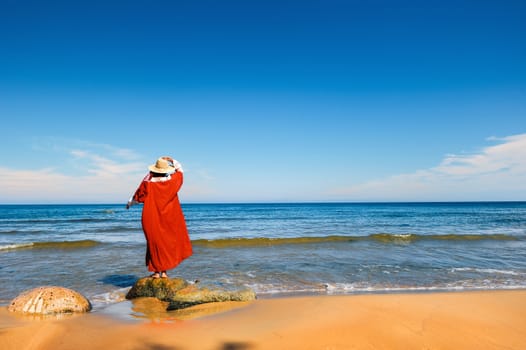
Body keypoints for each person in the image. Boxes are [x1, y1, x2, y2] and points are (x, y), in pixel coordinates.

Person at [126, 156, 192, 278]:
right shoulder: (172, 182)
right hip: (169, 217)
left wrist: (130, 203)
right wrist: (172, 160)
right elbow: (180, 172)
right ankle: (164, 273)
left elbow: (138, 195)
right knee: (165, 243)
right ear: (166, 170)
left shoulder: (148, 183)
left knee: (154, 243)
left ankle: (157, 272)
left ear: (153, 171)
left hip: (151, 217)